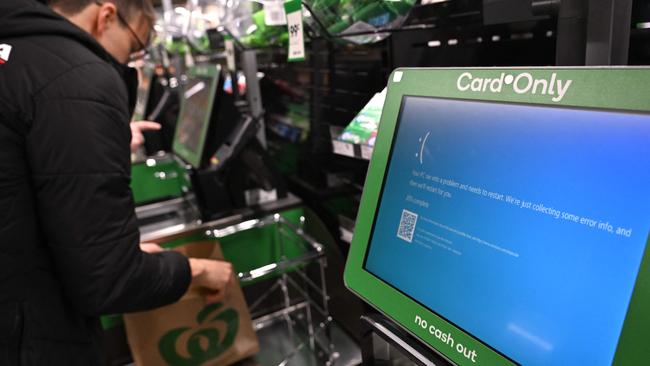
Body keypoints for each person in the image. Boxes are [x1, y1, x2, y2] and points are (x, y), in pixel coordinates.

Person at [0, 0, 233, 364]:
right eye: (135, 47)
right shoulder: (79, 75)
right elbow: (108, 280)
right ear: (106, 16)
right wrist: (197, 270)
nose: (131, 62)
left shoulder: (19, 51)